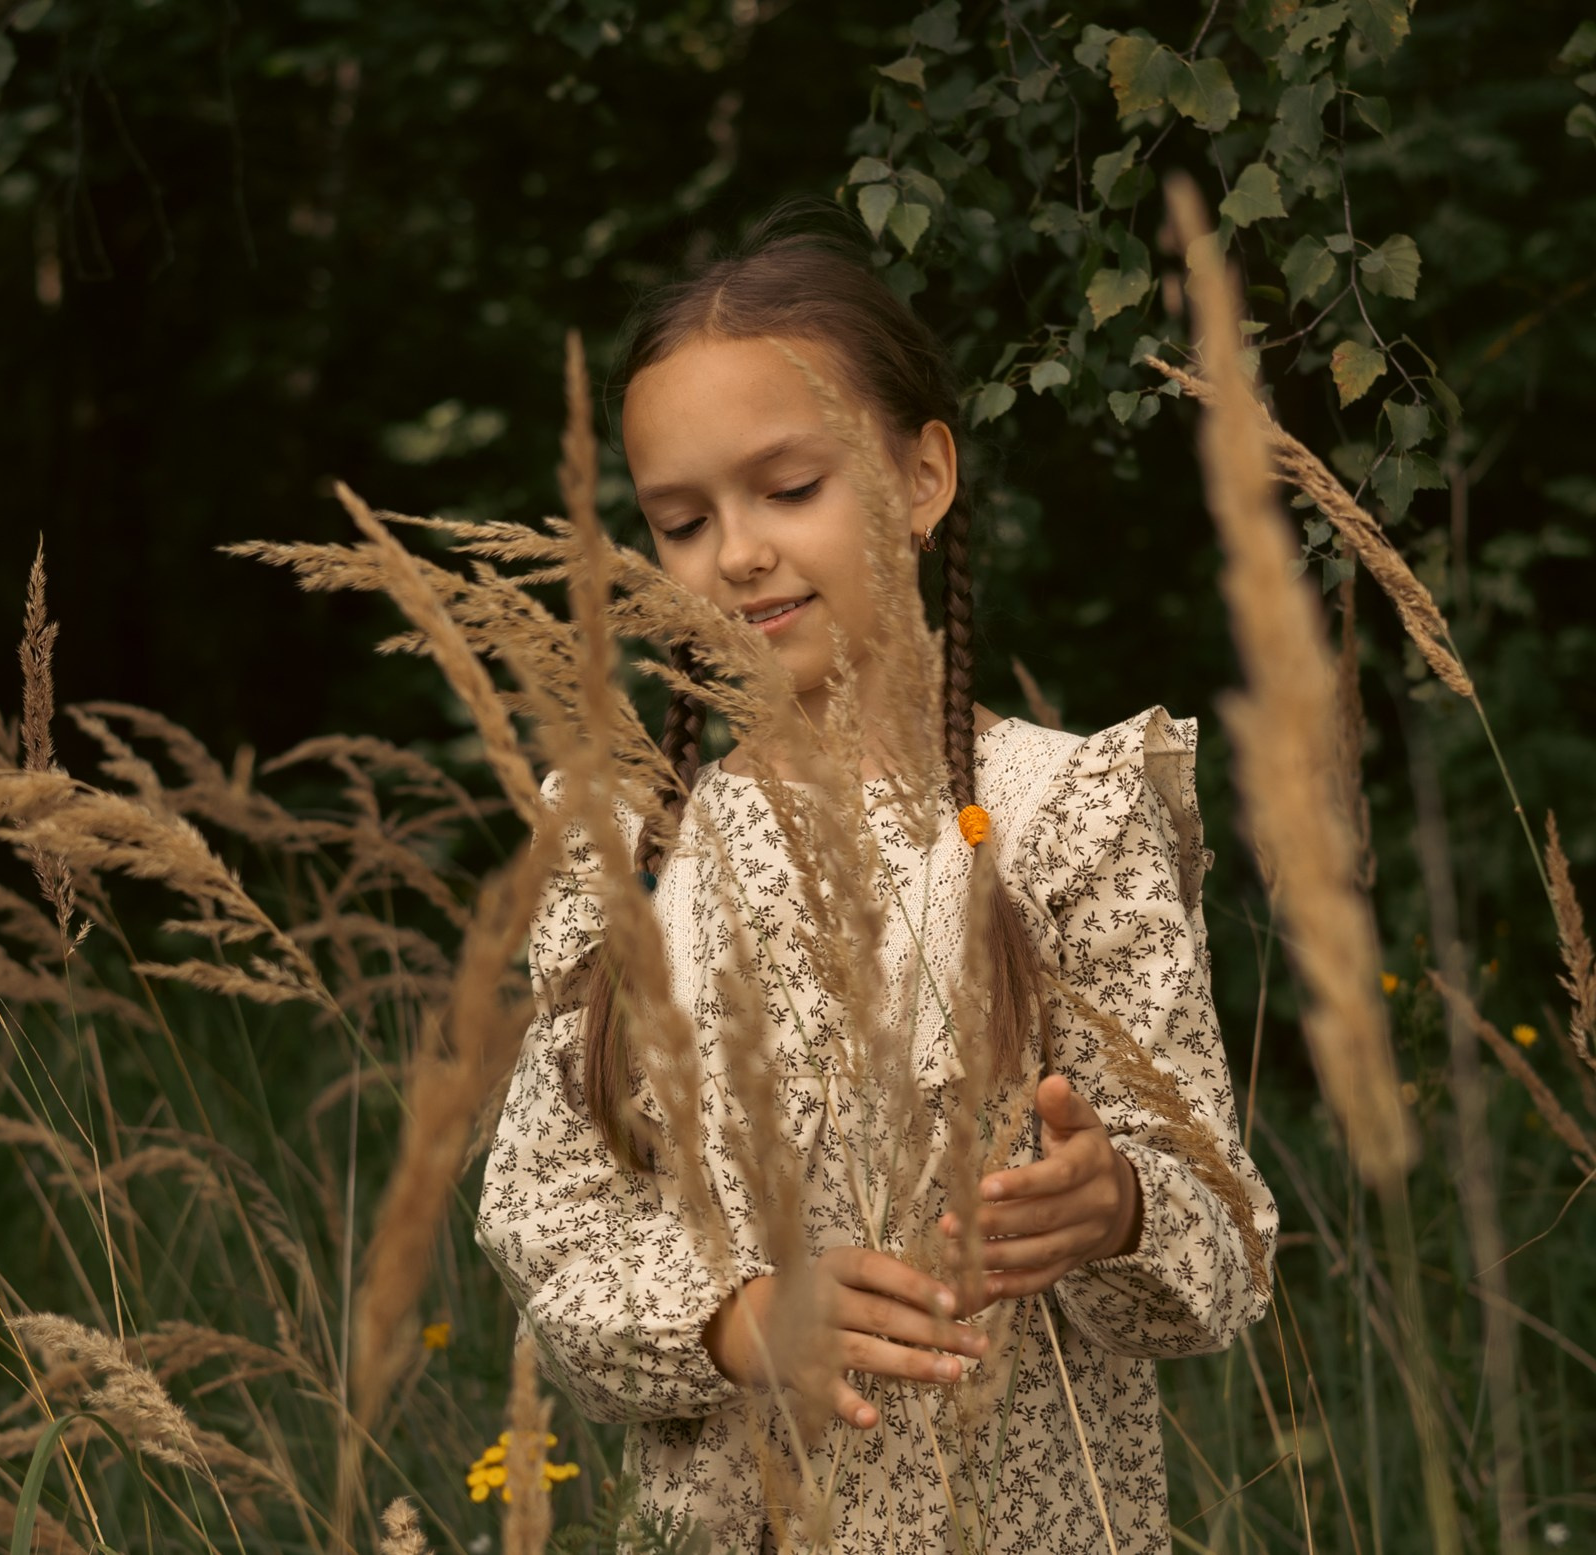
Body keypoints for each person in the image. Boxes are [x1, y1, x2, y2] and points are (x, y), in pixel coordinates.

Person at [474, 202, 1278, 1554]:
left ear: (922, 477)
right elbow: (544, 1230)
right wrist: (736, 1320)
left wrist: (1118, 1206)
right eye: (682, 521)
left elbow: (1227, 1247)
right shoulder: (629, 848)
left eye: (791, 489)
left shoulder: (1063, 816)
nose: (738, 553)